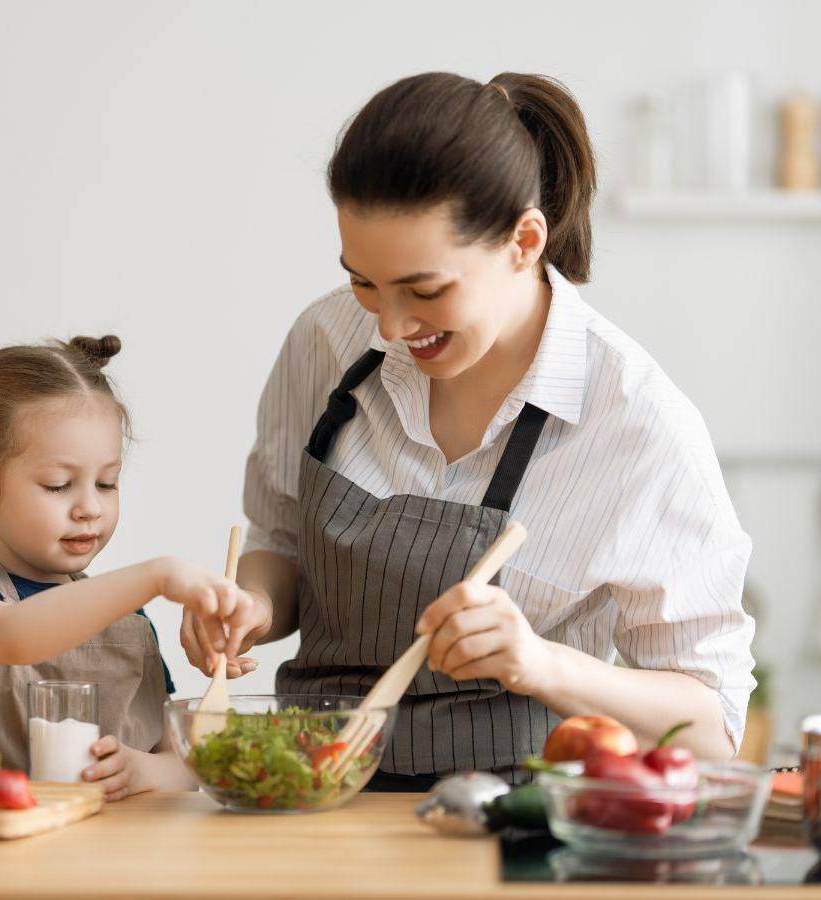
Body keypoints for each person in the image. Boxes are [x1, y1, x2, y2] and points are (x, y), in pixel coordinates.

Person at [181, 72, 755, 789]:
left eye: (425, 291)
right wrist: (252, 606)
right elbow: (281, 542)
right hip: (313, 795)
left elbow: (711, 726)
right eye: (364, 281)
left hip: (514, 821)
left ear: (523, 240)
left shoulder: (635, 424)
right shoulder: (326, 339)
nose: (389, 326)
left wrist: (539, 662)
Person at [0, 331, 253, 800]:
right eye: (59, 485)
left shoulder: (128, 620)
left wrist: (148, 771)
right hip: (1, 863)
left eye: (107, 483)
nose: (89, 508)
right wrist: (154, 576)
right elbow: (17, 637)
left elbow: (183, 759)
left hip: (120, 866)